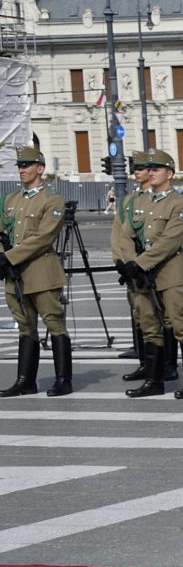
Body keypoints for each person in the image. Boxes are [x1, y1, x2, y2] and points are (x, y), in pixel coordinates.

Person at [112, 148, 183, 399]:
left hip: (170, 271)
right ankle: (154, 381)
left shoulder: (180, 203)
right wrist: (130, 263)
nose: (150, 173)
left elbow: (170, 241)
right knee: (149, 326)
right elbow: (126, 235)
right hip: (140, 273)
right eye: (148, 169)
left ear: (170, 174)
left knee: (180, 325)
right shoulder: (139, 202)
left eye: (156, 169)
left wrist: (140, 263)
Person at [2, 144, 71, 397]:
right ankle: (25, 380)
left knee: (54, 323)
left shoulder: (52, 200)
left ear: (40, 169)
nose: (21, 170)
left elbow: (43, 238)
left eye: (26, 165)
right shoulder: (11, 200)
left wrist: (7, 257)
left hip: (41, 270)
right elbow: (3, 231)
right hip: (14, 274)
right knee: (25, 326)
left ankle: (63, 379)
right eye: (19, 166)